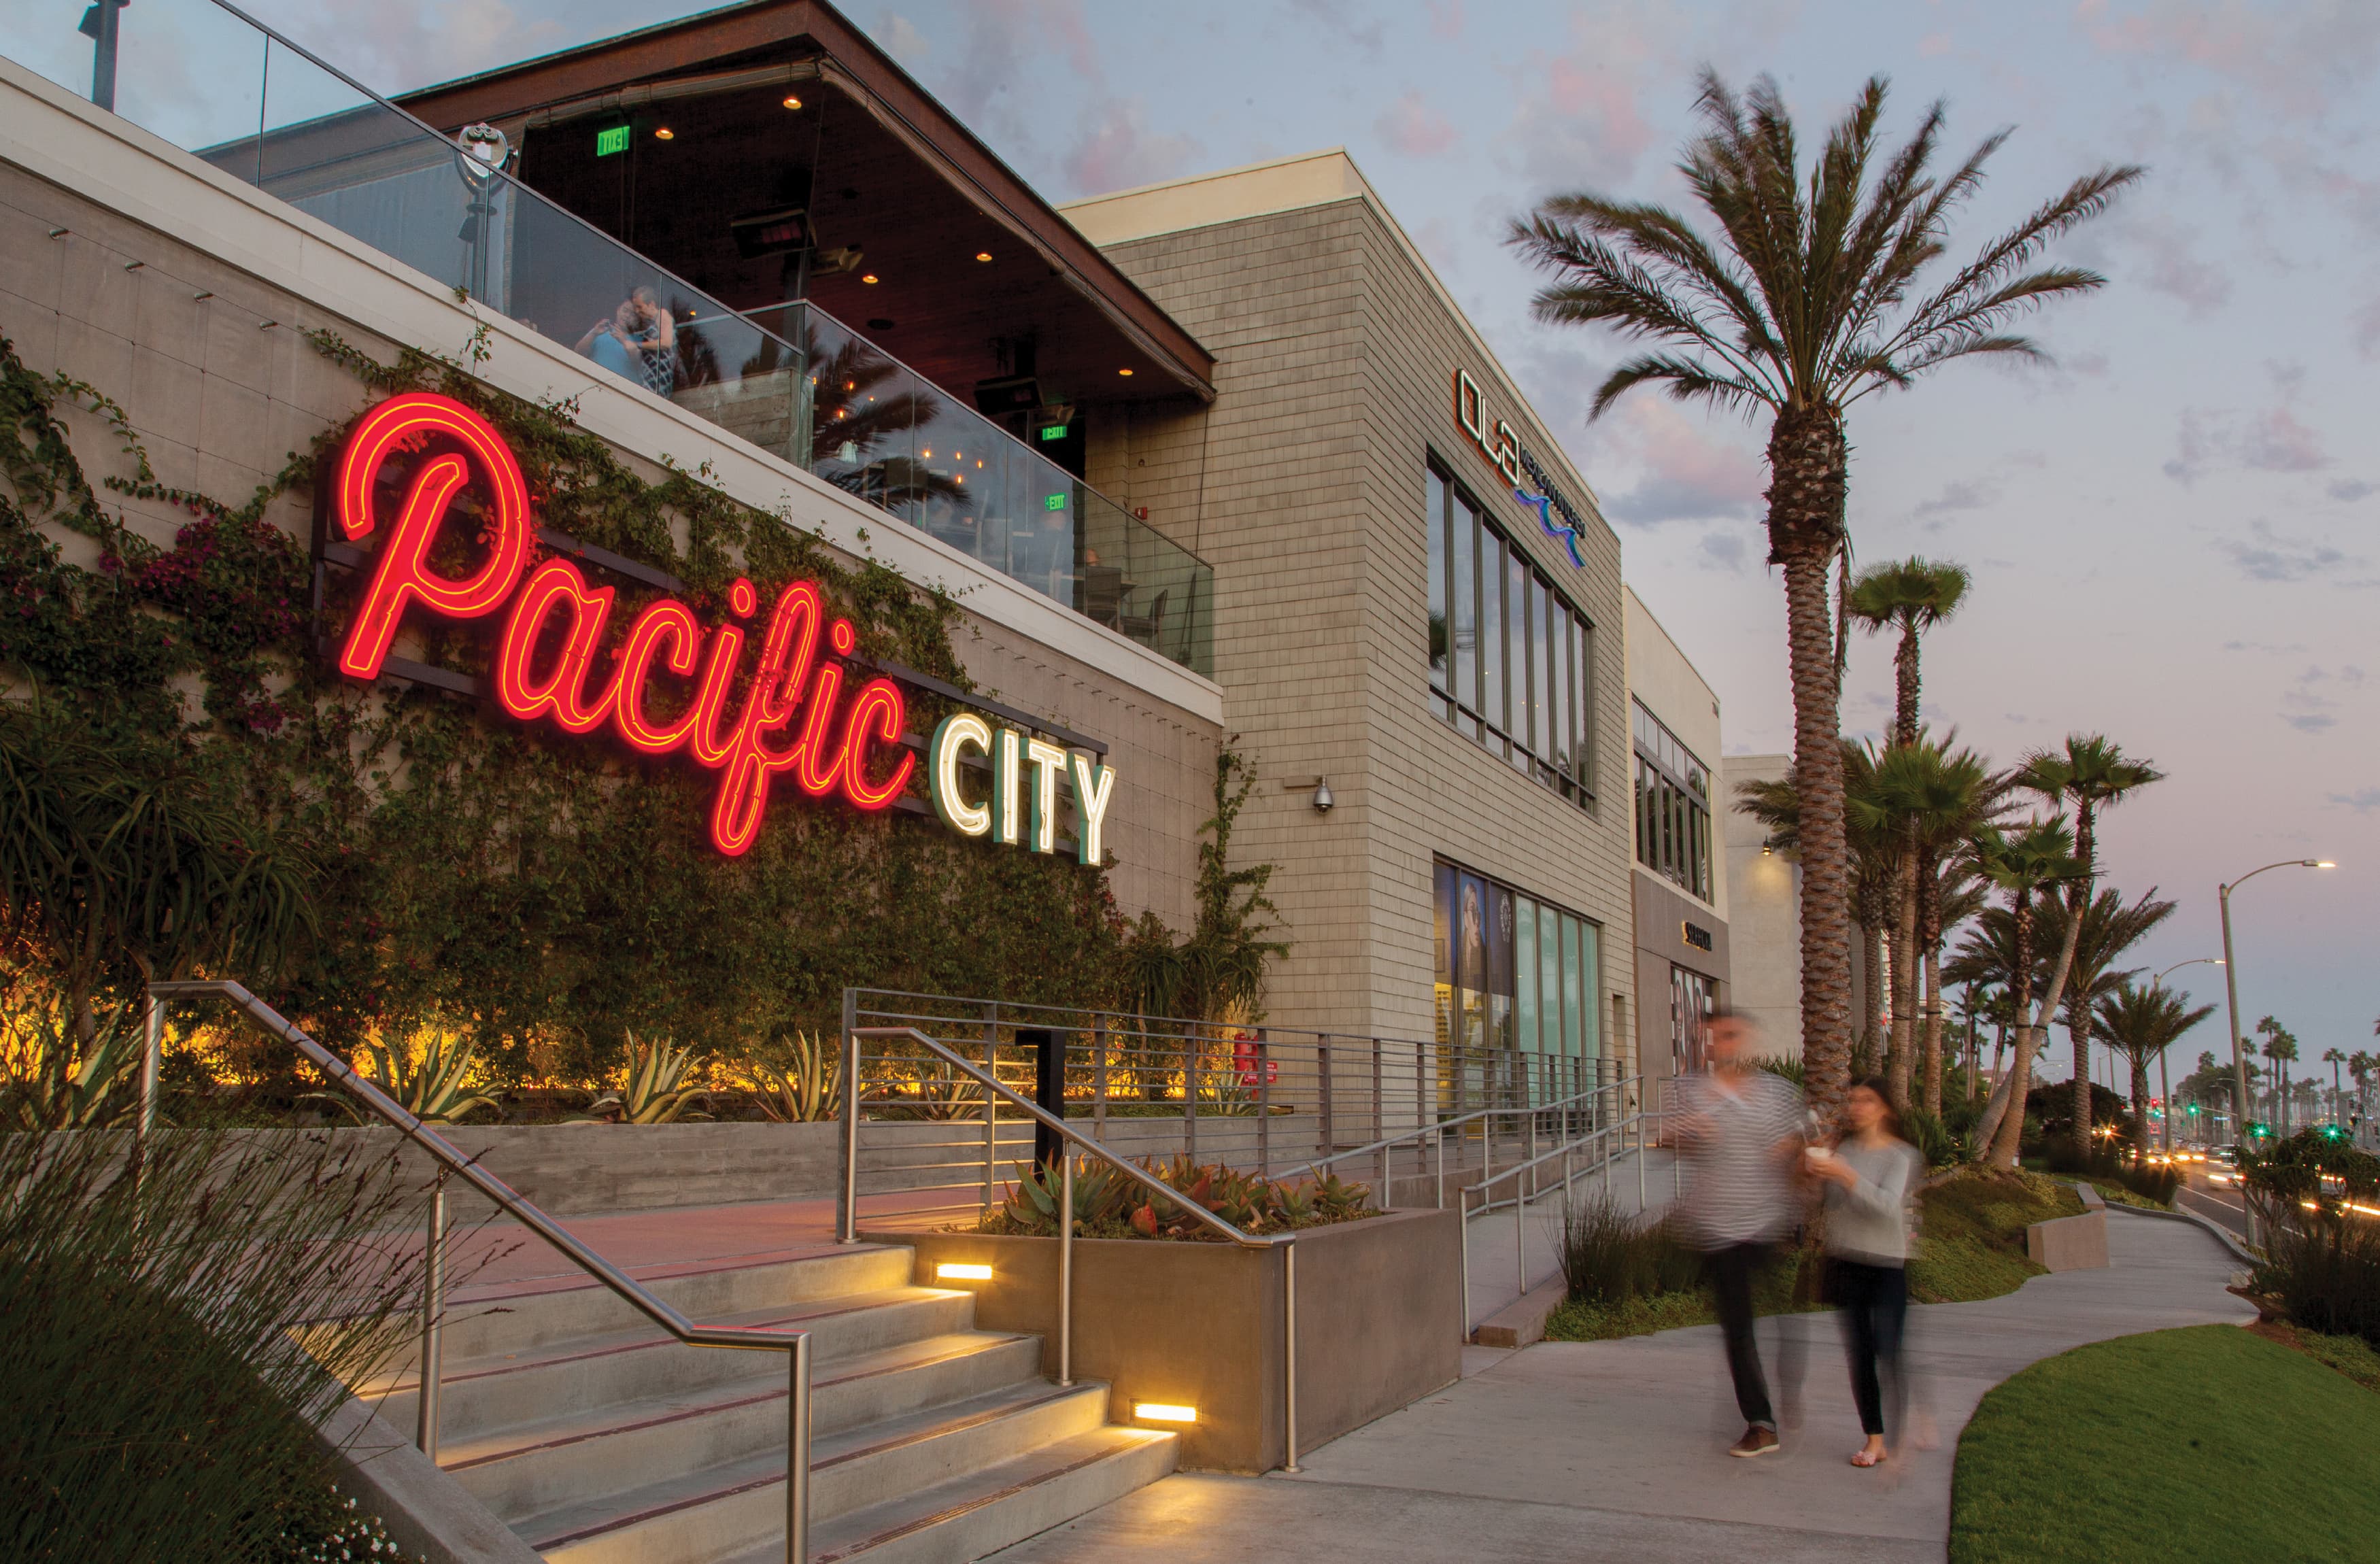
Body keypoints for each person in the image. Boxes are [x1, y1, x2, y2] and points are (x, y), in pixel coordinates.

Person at [1669, 1008, 1806, 1458]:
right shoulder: (1691, 1093)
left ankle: (1788, 1393)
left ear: (1744, 1041)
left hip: (1767, 1221)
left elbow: (1799, 1147)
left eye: (1730, 1036)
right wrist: (1683, 1136)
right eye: (1715, 1037)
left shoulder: (1774, 1094)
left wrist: (1791, 1152)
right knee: (1738, 1330)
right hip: (1717, 1228)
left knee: (1785, 1323)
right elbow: (1669, 1141)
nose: (1722, 1045)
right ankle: (1761, 1422)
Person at [1805, 1076, 1922, 1467]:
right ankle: (1876, 1439)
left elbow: (1887, 1207)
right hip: (1846, 1262)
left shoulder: (1900, 1156)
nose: (1856, 1107)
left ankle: (1902, 1427)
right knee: (1861, 1356)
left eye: (1866, 1100)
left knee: (1888, 1351)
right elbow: (1835, 1205)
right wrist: (1820, 1175)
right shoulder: (1847, 1150)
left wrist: (1847, 1176)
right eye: (1852, 1100)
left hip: (1887, 1264)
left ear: (1884, 1108)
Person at [575, 287, 677, 396]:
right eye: (625, 311)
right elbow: (578, 351)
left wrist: (625, 341)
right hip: (594, 387)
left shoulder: (641, 339)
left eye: (633, 315)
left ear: (638, 319)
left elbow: (639, 366)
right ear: (618, 310)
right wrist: (594, 333)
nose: (627, 316)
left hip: (625, 394)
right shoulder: (601, 331)